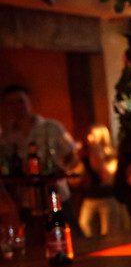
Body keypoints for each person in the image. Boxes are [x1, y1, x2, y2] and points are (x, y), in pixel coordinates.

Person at [0, 84, 79, 221]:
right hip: (26, 201)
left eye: (20, 101)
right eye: (11, 103)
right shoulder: (6, 136)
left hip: (56, 194)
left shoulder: (51, 127)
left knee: (67, 229)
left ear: (29, 100)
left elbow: (72, 153)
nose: (17, 106)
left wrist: (62, 170)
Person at [76, 124, 121, 237]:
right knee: (84, 227)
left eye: (92, 135)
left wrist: (96, 154)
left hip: (107, 198)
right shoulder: (85, 156)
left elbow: (107, 178)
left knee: (109, 234)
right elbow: (77, 179)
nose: (89, 138)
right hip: (90, 198)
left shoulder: (110, 155)